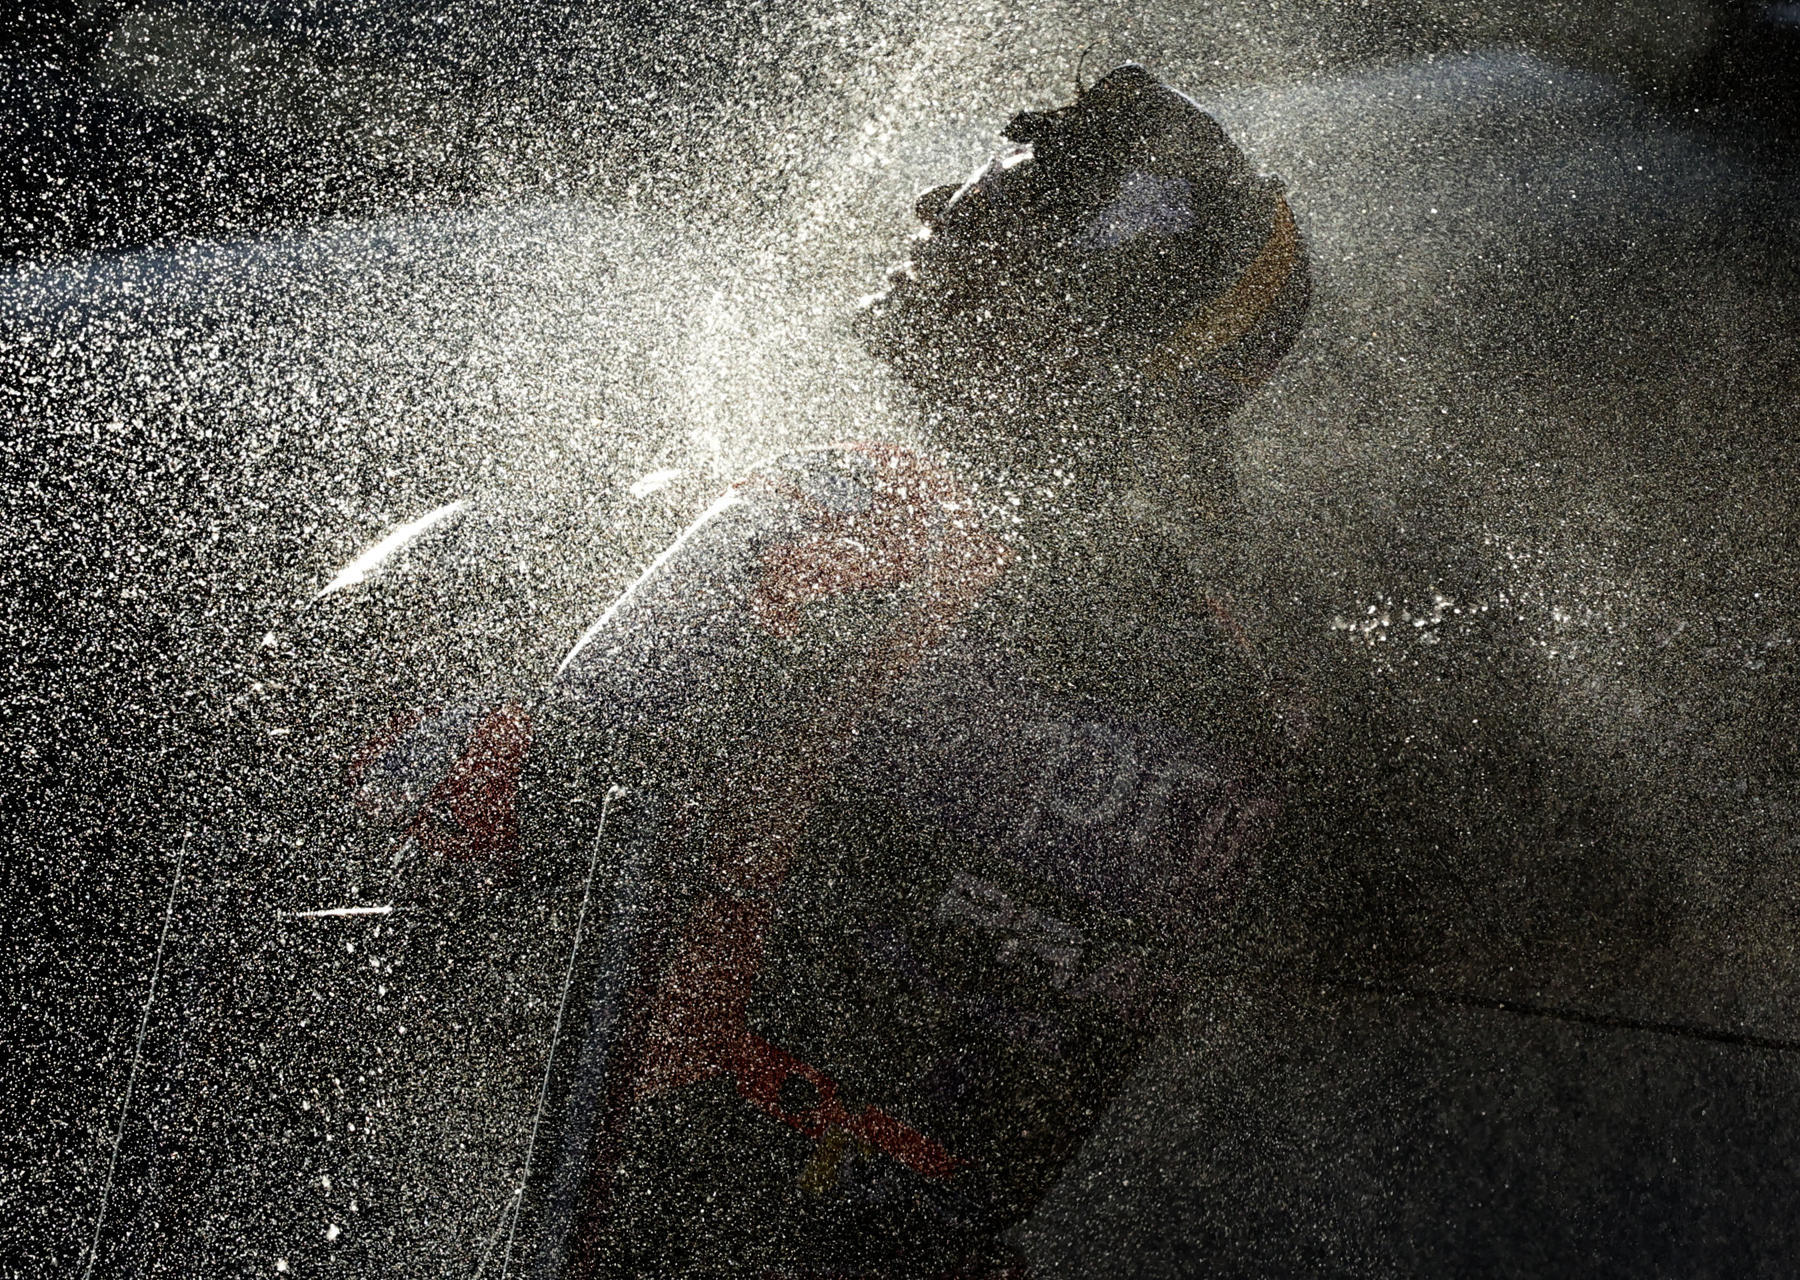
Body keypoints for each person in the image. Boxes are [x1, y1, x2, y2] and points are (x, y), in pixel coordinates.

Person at [356, 64, 1311, 1278]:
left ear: (1068, 307)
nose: (929, 203)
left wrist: (418, 729)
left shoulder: (868, 514)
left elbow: (514, 809)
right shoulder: (1248, 709)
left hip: (646, 1228)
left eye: (999, 188)